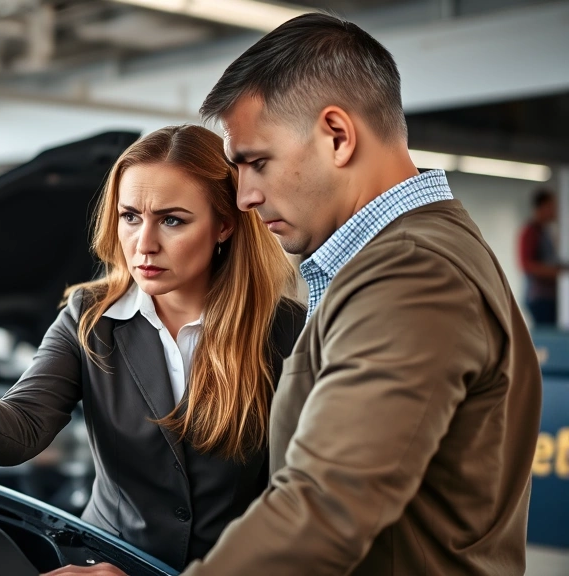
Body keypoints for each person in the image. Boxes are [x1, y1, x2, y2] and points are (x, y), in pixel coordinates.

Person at [49, 12, 544, 576]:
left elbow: (323, 508)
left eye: (256, 163)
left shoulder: (410, 274)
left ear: (337, 135)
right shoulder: (412, 253)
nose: (244, 198)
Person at [0, 125, 306, 571]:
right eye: (130, 216)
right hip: (107, 560)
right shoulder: (89, 318)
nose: (144, 243)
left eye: (172, 220)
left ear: (225, 225)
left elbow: (302, 496)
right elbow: (22, 429)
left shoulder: (288, 332)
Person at [519, 187, 562, 326]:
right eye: (551, 206)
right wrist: (556, 273)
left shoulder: (545, 232)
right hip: (539, 297)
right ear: (542, 207)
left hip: (550, 296)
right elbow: (527, 265)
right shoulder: (530, 231)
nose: (555, 210)